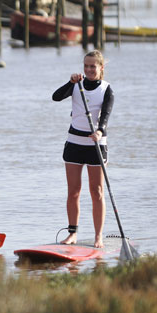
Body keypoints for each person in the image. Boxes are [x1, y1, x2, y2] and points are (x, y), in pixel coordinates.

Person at [52, 50, 114, 248]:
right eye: (86, 66)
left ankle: (98, 236)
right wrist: (70, 83)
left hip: (95, 145)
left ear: (101, 68)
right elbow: (55, 97)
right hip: (74, 143)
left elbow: (105, 115)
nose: (88, 70)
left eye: (92, 66)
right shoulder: (76, 85)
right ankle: (72, 234)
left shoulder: (106, 89)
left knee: (96, 192)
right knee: (73, 192)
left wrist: (100, 131)